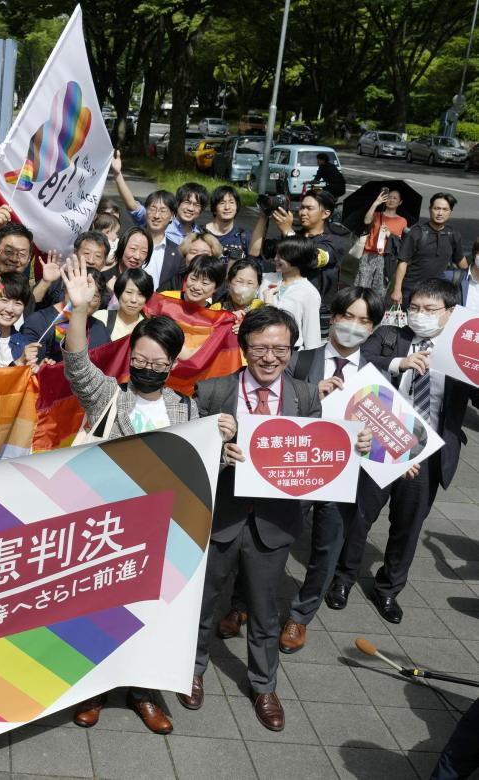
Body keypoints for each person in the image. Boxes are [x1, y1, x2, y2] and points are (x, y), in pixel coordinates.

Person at [61, 258, 199, 734]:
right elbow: (77, 364)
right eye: (138, 360)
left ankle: (143, 693)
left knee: (150, 618)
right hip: (105, 531)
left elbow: (203, 467)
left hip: (161, 536)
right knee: (100, 615)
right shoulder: (109, 399)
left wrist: (226, 441)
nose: (145, 369)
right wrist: (80, 312)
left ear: (173, 365)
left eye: (157, 364)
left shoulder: (190, 409)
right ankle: (94, 690)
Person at [184, 307, 323, 732]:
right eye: (260, 347)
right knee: (203, 603)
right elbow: (187, 459)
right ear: (244, 348)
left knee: (265, 611)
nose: (269, 357)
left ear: (291, 351)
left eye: (280, 349)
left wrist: (357, 443)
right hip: (220, 515)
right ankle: (191, 670)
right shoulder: (210, 392)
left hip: (274, 522)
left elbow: (317, 458)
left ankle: (264, 685)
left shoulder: (306, 395)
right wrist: (215, 449)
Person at [329, 278, 471, 623]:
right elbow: (362, 358)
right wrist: (398, 365)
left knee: (408, 525)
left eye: (429, 309)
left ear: (450, 313)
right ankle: (342, 579)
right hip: (383, 439)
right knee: (360, 515)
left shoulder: (461, 351)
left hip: (428, 451)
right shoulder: (393, 336)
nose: (419, 315)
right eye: (414, 308)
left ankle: (388, 589)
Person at [276, 287, 384, 652]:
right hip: (300, 465)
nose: (353, 326)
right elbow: (273, 409)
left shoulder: (377, 373)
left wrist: (389, 452)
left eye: (363, 321)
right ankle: (245, 604)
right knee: (274, 538)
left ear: (374, 328)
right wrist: (308, 395)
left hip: (346, 474)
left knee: (328, 547)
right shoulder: (300, 361)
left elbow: (387, 430)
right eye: (347, 317)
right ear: (333, 317)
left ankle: (300, 617)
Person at [252, 191, 345, 301]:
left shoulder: (334, 242)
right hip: (283, 303)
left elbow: (312, 259)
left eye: (309, 208)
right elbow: (255, 250)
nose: (303, 212)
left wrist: (288, 231)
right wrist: (264, 216)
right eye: (302, 207)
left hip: (315, 308)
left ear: (326, 213)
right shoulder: (290, 235)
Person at [111, 151, 206, 244]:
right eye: (187, 202)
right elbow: (133, 206)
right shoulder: (160, 220)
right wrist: (117, 174)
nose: (190, 208)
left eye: (197, 205)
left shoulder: (200, 235)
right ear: (178, 204)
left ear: (202, 210)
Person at [392, 193, 468, 307]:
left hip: (438, 293)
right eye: (437, 208)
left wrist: (472, 275)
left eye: (445, 209)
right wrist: (397, 290)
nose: (440, 213)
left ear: (450, 213)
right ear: (430, 209)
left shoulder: (453, 234)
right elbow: (403, 262)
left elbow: (461, 261)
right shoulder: (417, 232)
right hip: (412, 290)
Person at [23, 266, 110, 362]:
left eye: (93, 296)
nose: (85, 300)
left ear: (100, 300)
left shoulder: (99, 327)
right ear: (66, 290)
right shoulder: (39, 321)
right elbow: (29, 367)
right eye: (80, 292)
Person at [262, 237, 323, 350]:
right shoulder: (265, 279)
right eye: (276, 254)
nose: (275, 259)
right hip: (259, 345)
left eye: (281, 256)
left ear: (297, 258)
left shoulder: (309, 292)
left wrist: (311, 362)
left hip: (290, 352)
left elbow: (312, 335)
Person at [354, 188, 407, 298]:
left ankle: (374, 313)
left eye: (395, 198)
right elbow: (366, 221)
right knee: (361, 287)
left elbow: (401, 243)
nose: (391, 200)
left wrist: (390, 235)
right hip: (369, 254)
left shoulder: (402, 221)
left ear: (400, 202)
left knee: (379, 291)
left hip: (387, 258)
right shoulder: (377, 215)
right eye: (389, 197)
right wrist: (375, 203)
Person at [0, 272, 37, 367]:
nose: (10, 309)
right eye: (4, 300)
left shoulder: (23, 342)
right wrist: (17, 363)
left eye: (18, 303)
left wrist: (40, 369)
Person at [95, 268, 152, 340]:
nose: (133, 300)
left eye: (141, 294)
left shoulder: (150, 328)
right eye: (129, 292)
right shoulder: (100, 318)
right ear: (119, 292)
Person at [205, 185, 250, 259]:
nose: (227, 207)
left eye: (231, 202)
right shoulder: (201, 233)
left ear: (237, 208)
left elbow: (255, 265)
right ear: (214, 208)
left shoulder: (244, 237)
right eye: (222, 203)